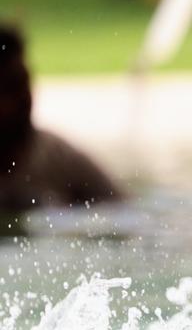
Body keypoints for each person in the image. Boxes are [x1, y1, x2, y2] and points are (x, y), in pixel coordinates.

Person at [0, 24, 122, 217]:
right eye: (11, 88)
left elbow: (121, 209)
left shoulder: (58, 157)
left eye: (25, 84)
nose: (24, 98)